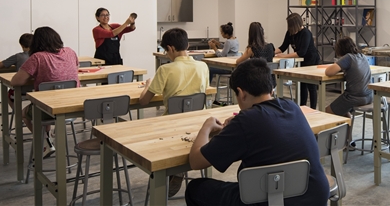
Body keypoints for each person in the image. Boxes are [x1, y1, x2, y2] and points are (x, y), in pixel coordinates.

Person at [185, 59, 329, 206]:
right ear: (271, 89)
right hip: (315, 197)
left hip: (271, 199)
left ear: (241, 93)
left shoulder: (244, 122)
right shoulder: (292, 107)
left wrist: (207, 127)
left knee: (195, 189)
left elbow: (196, 161)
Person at [139, 28, 210, 197]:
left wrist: (149, 84)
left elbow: (144, 101)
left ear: (170, 48)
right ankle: (180, 167)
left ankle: (168, 169)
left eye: (166, 51)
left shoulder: (165, 70)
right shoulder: (203, 66)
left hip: (171, 125)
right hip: (198, 124)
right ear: (187, 44)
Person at [11, 27, 79, 138]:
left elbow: (16, 81)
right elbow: (75, 70)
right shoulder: (70, 52)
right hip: (72, 105)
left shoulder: (37, 57)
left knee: (23, 113)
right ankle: (47, 137)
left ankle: (45, 141)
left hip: (47, 107)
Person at [275, 13, 320, 108]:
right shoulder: (290, 33)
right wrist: (272, 52)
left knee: (311, 86)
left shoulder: (306, 33)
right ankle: (302, 107)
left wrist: (284, 56)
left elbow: (301, 52)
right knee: (302, 85)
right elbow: (283, 47)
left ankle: (313, 109)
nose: (290, 28)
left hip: (311, 59)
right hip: (301, 61)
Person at [323, 36, 372, 117]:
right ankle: (347, 128)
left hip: (354, 97)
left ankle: (339, 129)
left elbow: (328, 72)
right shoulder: (362, 56)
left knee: (327, 112)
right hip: (369, 96)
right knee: (344, 111)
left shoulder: (348, 57)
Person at [0, 33, 33, 104]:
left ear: (21, 45)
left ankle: (18, 113)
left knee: (8, 94)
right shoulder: (39, 56)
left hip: (21, 91)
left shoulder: (18, 57)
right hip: (36, 90)